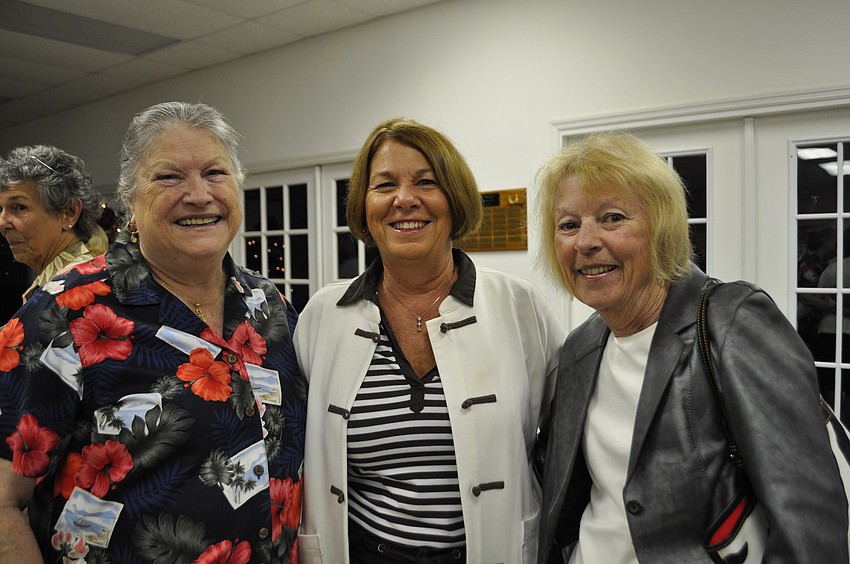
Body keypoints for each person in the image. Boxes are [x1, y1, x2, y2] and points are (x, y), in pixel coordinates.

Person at [0, 102, 306, 563]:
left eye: (215, 173)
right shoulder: (63, 313)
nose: (198, 195)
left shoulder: (269, 305)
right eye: (168, 177)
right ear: (131, 200)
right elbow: (4, 503)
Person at [532, 131, 848, 563]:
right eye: (569, 225)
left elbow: (808, 518)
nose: (585, 242)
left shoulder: (731, 321)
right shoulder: (579, 349)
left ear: (661, 229)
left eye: (612, 218)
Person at [294, 117, 565, 563]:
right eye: (385, 185)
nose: (404, 199)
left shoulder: (520, 306)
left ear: (454, 200)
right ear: (364, 206)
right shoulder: (324, 316)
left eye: (426, 182)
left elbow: (565, 443)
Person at [0, 144, 106, 303]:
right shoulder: (57, 283)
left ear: (69, 213)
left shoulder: (77, 290)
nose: (2, 223)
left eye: (20, 207)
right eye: (1, 209)